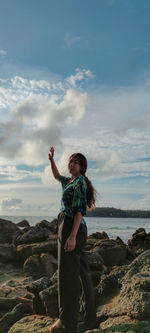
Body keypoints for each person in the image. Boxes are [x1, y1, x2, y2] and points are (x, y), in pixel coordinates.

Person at [48, 147, 98, 333]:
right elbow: (55, 176)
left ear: (82, 167)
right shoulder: (69, 181)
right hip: (71, 226)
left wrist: (72, 236)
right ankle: (89, 318)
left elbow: (79, 210)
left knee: (67, 275)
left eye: (75, 162)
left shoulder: (80, 183)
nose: (71, 164)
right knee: (82, 273)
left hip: (72, 226)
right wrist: (52, 160)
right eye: (70, 161)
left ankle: (67, 322)